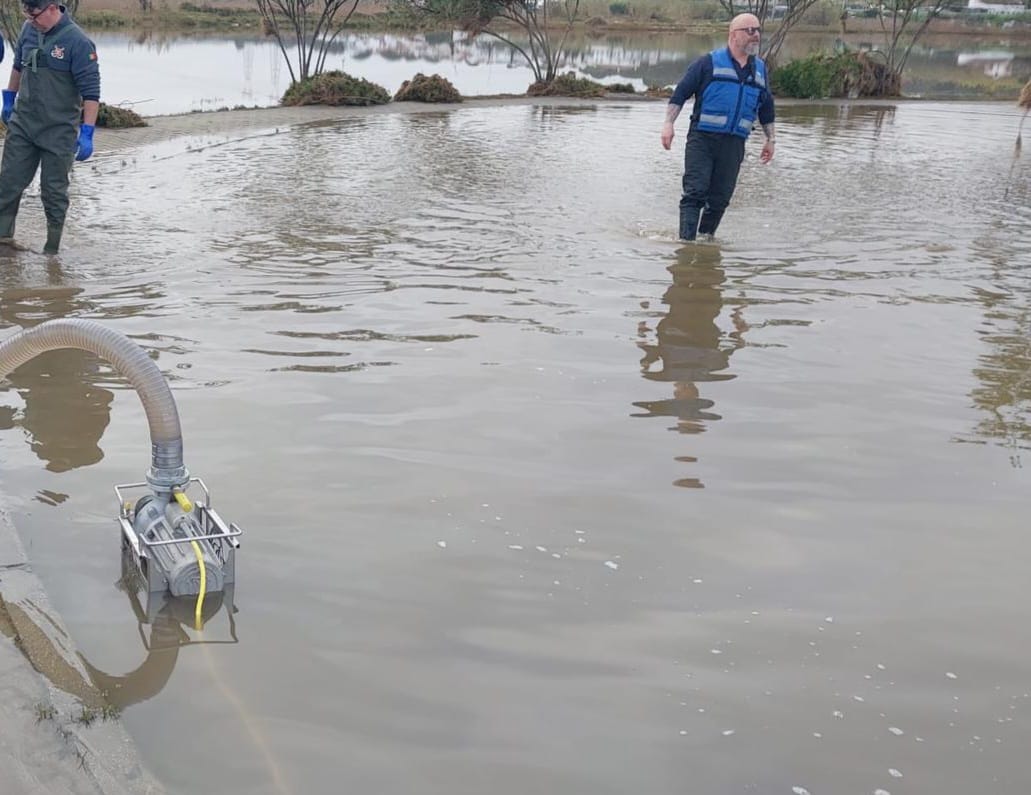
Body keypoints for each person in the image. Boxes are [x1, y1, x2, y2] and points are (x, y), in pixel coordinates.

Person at [661, 13, 775, 242]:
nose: (756, 35)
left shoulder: (760, 70)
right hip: (702, 140)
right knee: (695, 192)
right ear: (733, 35)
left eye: (758, 30)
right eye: (749, 30)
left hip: (734, 143)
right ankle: (686, 244)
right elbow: (680, 93)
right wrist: (668, 124)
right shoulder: (707, 63)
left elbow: (766, 107)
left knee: (721, 198)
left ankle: (704, 241)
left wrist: (770, 139)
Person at [0, 0, 100, 254]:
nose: (31, 20)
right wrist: (9, 99)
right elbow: (18, 65)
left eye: (35, 15)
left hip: (58, 130)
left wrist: (87, 132)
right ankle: (2, 241)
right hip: (23, 123)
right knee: (8, 184)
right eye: (27, 15)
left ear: (53, 8)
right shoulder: (28, 29)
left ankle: (51, 252)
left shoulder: (79, 43)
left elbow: (91, 93)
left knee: (54, 193)